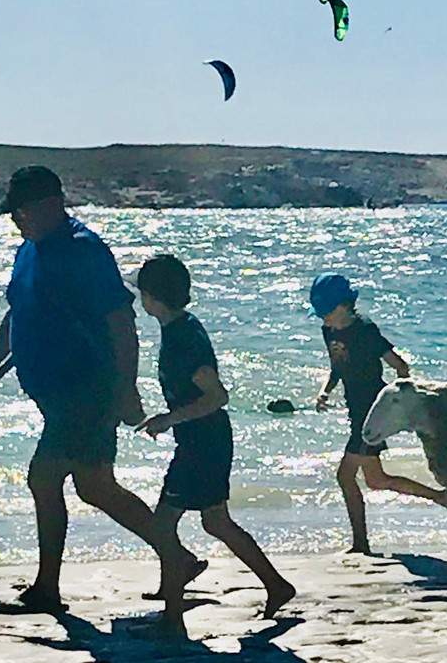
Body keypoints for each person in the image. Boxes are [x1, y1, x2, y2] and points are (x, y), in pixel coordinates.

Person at [0, 166, 201, 623]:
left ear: (51, 204)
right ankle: (178, 555)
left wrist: (126, 388)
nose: (17, 221)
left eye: (23, 212)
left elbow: (121, 322)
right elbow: (17, 315)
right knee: (96, 487)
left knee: (44, 476)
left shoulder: (84, 251)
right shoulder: (29, 251)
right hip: (54, 394)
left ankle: (47, 590)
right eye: (13, 213)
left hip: (87, 389)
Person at [133, 255, 295, 628]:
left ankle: (173, 614)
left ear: (153, 298)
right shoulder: (179, 327)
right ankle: (275, 584)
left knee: (163, 525)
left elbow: (217, 396)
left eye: (142, 292)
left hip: (202, 443)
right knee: (216, 522)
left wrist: (167, 419)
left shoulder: (183, 339)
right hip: (203, 439)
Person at [310, 272, 447, 554]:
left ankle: (361, 545)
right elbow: (337, 366)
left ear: (343, 306)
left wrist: (399, 404)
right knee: (377, 480)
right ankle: (441, 498)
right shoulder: (329, 330)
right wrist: (325, 390)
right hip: (355, 412)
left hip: (372, 414)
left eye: (325, 311)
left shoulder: (365, 330)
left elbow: (401, 366)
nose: (322, 318)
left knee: (345, 476)